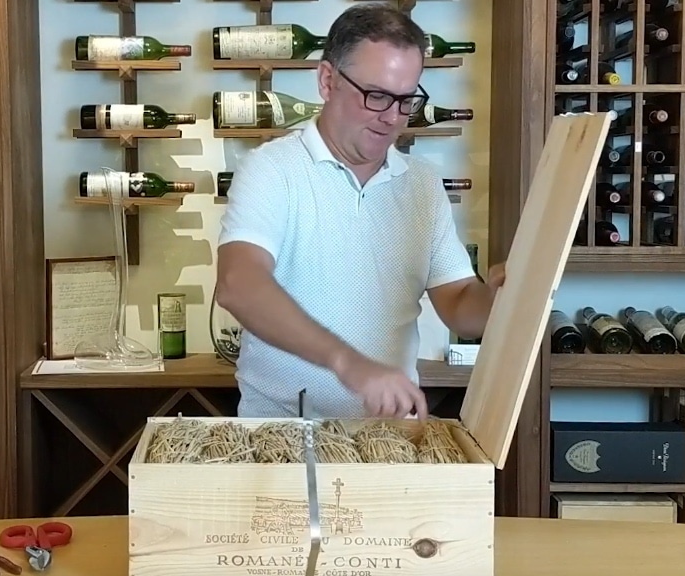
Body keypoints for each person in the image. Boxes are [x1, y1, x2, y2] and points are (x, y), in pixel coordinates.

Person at [214, 3, 506, 420]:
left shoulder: (422, 184)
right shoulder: (272, 169)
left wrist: (500, 298)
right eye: (377, 96)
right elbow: (238, 284)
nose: (392, 118)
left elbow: (459, 304)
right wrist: (347, 362)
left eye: (405, 100)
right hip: (281, 436)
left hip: (387, 437)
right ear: (327, 80)